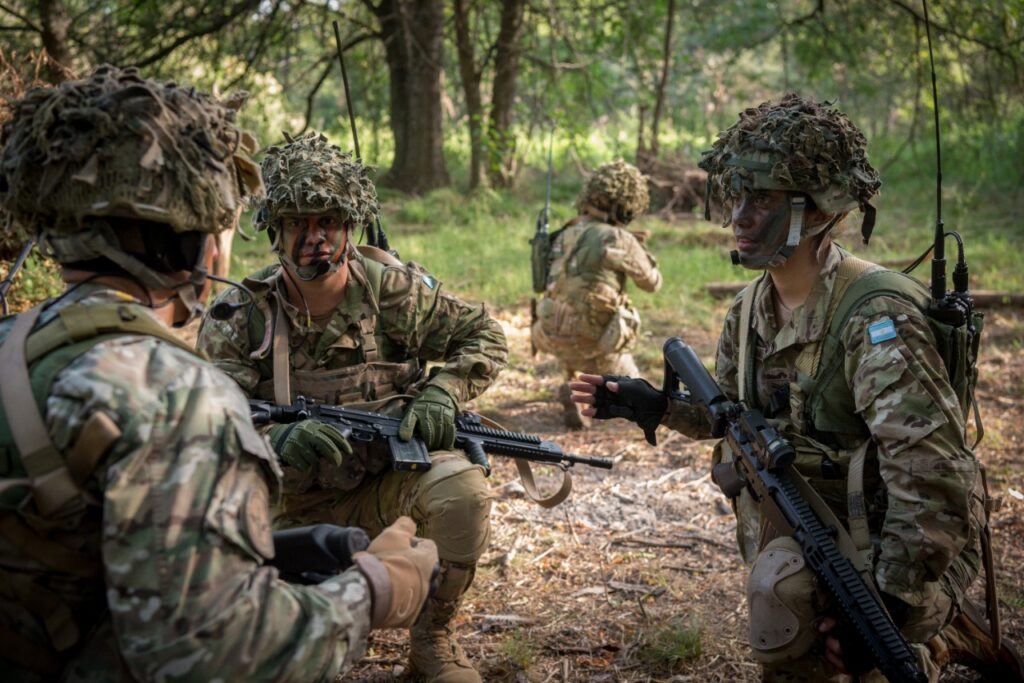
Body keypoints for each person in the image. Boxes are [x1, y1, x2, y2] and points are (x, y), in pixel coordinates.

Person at [0, 66, 437, 682]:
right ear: (194, 244)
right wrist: (375, 590)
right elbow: (221, 654)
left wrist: (278, 552)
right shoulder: (175, 395)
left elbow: (72, 557)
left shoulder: (13, 345)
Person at [571, 94, 1017, 681]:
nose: (740, 217)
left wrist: (891, 605)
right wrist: (656, 407)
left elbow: (933, 478)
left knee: (832, 632)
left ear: (822, 210)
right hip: (805, 526)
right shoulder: (748, 309)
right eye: (736, 196)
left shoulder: (874, 321)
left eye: (764, 199)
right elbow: (729, 414)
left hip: (900, 542)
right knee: (784, 625)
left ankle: (930, 629)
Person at [197, 131, 508, 683]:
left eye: (329, 223)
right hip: (280, 510)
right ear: (275, 230)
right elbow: (209, 428)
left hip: (383, 492)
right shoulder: (240, 317)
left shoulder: (394, 293)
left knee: (462, 488)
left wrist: (443, 391)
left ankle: (432, 640)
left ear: (350, 226)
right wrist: (274, 443)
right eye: (298, 224)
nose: (315, 239)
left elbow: (484, 334)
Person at [531, 159, 661, 429]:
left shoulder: (562, 233)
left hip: (549, 336)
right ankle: (595, 393)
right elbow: (651, 283)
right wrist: (635, 247)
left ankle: (572, 382)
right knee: (638, 391)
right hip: (597, 344)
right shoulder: (617, 238)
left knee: (569, 305)